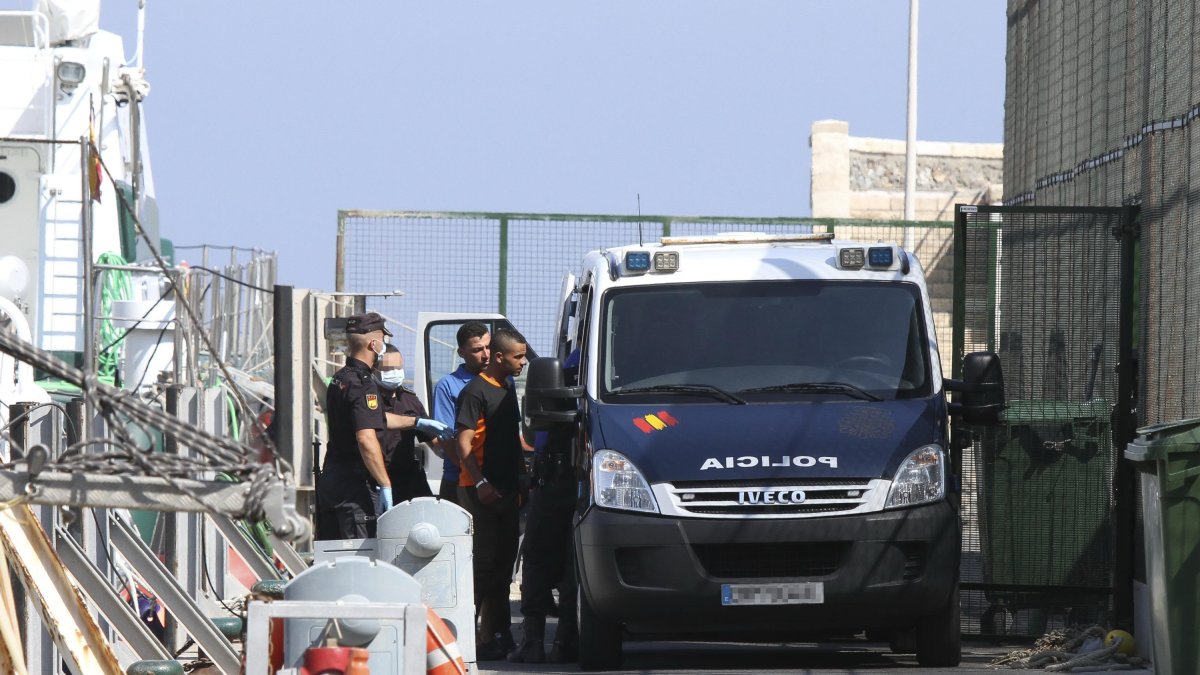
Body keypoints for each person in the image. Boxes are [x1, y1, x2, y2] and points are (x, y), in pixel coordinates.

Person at [454, 327, 530, 660]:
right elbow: (463, 443)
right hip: (479, 491)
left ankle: (496, 634)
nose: (523, 362)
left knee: (503, 569)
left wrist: (521, 479)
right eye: (518, 356)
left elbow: (508, 437)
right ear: (499, 357)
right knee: (481, 567)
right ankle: (468, 637)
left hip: (508, 493)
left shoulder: (508, 387)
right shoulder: (474, 392)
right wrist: (481, 483)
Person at [508, 349, 580, 664]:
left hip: (561, 480)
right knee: (571, 565)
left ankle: (534, 641)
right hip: (574, 480)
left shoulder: (578, 359)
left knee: (537, 561)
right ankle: (565, 641)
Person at [315, 312, 393, 539]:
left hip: (332, 481)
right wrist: (385, 483)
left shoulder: (340, 379)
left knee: (331, 558)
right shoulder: (363, 384)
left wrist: (415, 422)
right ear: (374, 343)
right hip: (355, 488)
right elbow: (365, 438)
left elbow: (369, 418)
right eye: (383, 340)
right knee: (359, 562)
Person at [374, 344, 452, 502]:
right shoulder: (368, 399)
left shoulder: (410, 401)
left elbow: (435, 443)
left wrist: (451, 449)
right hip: (376, 478)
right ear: (374, 371)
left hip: (408, 479)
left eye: (398, 367)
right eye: (388, 369)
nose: (395, 373)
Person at [431, 322, 492, 504]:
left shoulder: (504, 381)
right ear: (461, 353)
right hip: (459, 480)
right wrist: (473, 474)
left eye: (489, 347)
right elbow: (446, 436)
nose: (486, 355)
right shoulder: (448, 385)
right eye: (477, 350)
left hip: (495, 477)